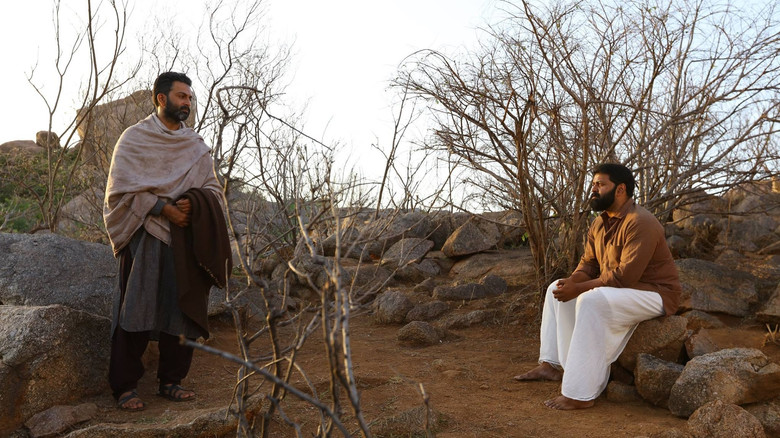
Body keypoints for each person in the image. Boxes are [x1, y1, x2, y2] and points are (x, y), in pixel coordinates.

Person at [103, 72, 231, 411]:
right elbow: (120, 192)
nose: (187, 102)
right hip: (144, 235)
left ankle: (171, 381)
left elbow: (213, 189)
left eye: (189, 97)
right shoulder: (135, 139)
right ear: (162, 99)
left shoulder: (195, 146)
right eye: (181, 96)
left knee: (182, 308)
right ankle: (125, 386)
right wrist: (163, 208)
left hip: (183, 240)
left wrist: (194, 203)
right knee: (135, 308)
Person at [513, 163, 681, 410]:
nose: (593, 189)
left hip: (655, 293)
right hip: (621, 288)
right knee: (556, 288)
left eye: (600, 184)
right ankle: (553, 365)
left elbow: (624, 277)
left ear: (620, 189)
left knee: (590, 300)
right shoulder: (600, 223)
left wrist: (579, 289)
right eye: (593, 184)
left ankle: (580, 394)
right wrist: (572, 282)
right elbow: (589, 264)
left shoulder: (641, 222)